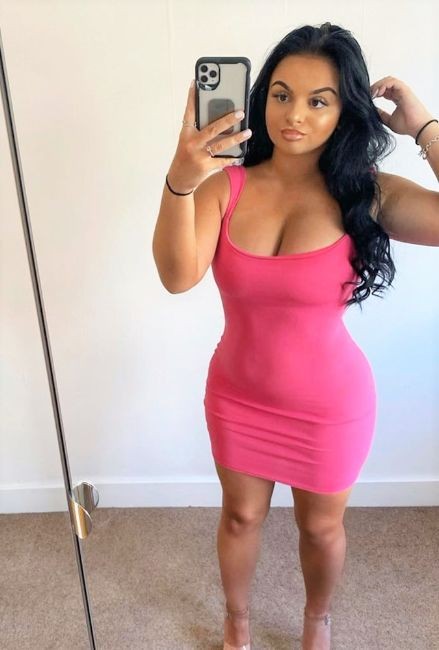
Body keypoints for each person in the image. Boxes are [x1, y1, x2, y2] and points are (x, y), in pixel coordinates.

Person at [152, 21, 439, 650]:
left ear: (346, 110)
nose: (295, 115)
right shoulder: (225, 188)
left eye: (319, 100)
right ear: (261, 99)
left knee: (321, 530)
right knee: (240, 516)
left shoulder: (368, 195)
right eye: (281, 95)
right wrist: (181, 177)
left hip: (330, 405)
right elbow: (177, 277)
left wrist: (423, 127)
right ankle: (237, 622)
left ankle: (317, 620)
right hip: (239, 395)